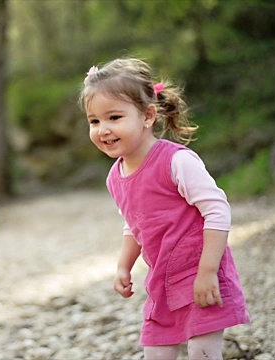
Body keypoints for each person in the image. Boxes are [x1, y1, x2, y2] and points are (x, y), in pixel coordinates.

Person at [79, 58, 250, 359]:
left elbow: (217, 210)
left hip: (200, 272)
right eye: (94, 121)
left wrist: (208, 271)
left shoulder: (176, 161)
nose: (103, 129)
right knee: (156, 352)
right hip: (162, 283)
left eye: (114, 117)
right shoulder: (115, 178)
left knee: (202, 351)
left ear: (147, 116)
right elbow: (134, 224)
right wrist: (123, 265)